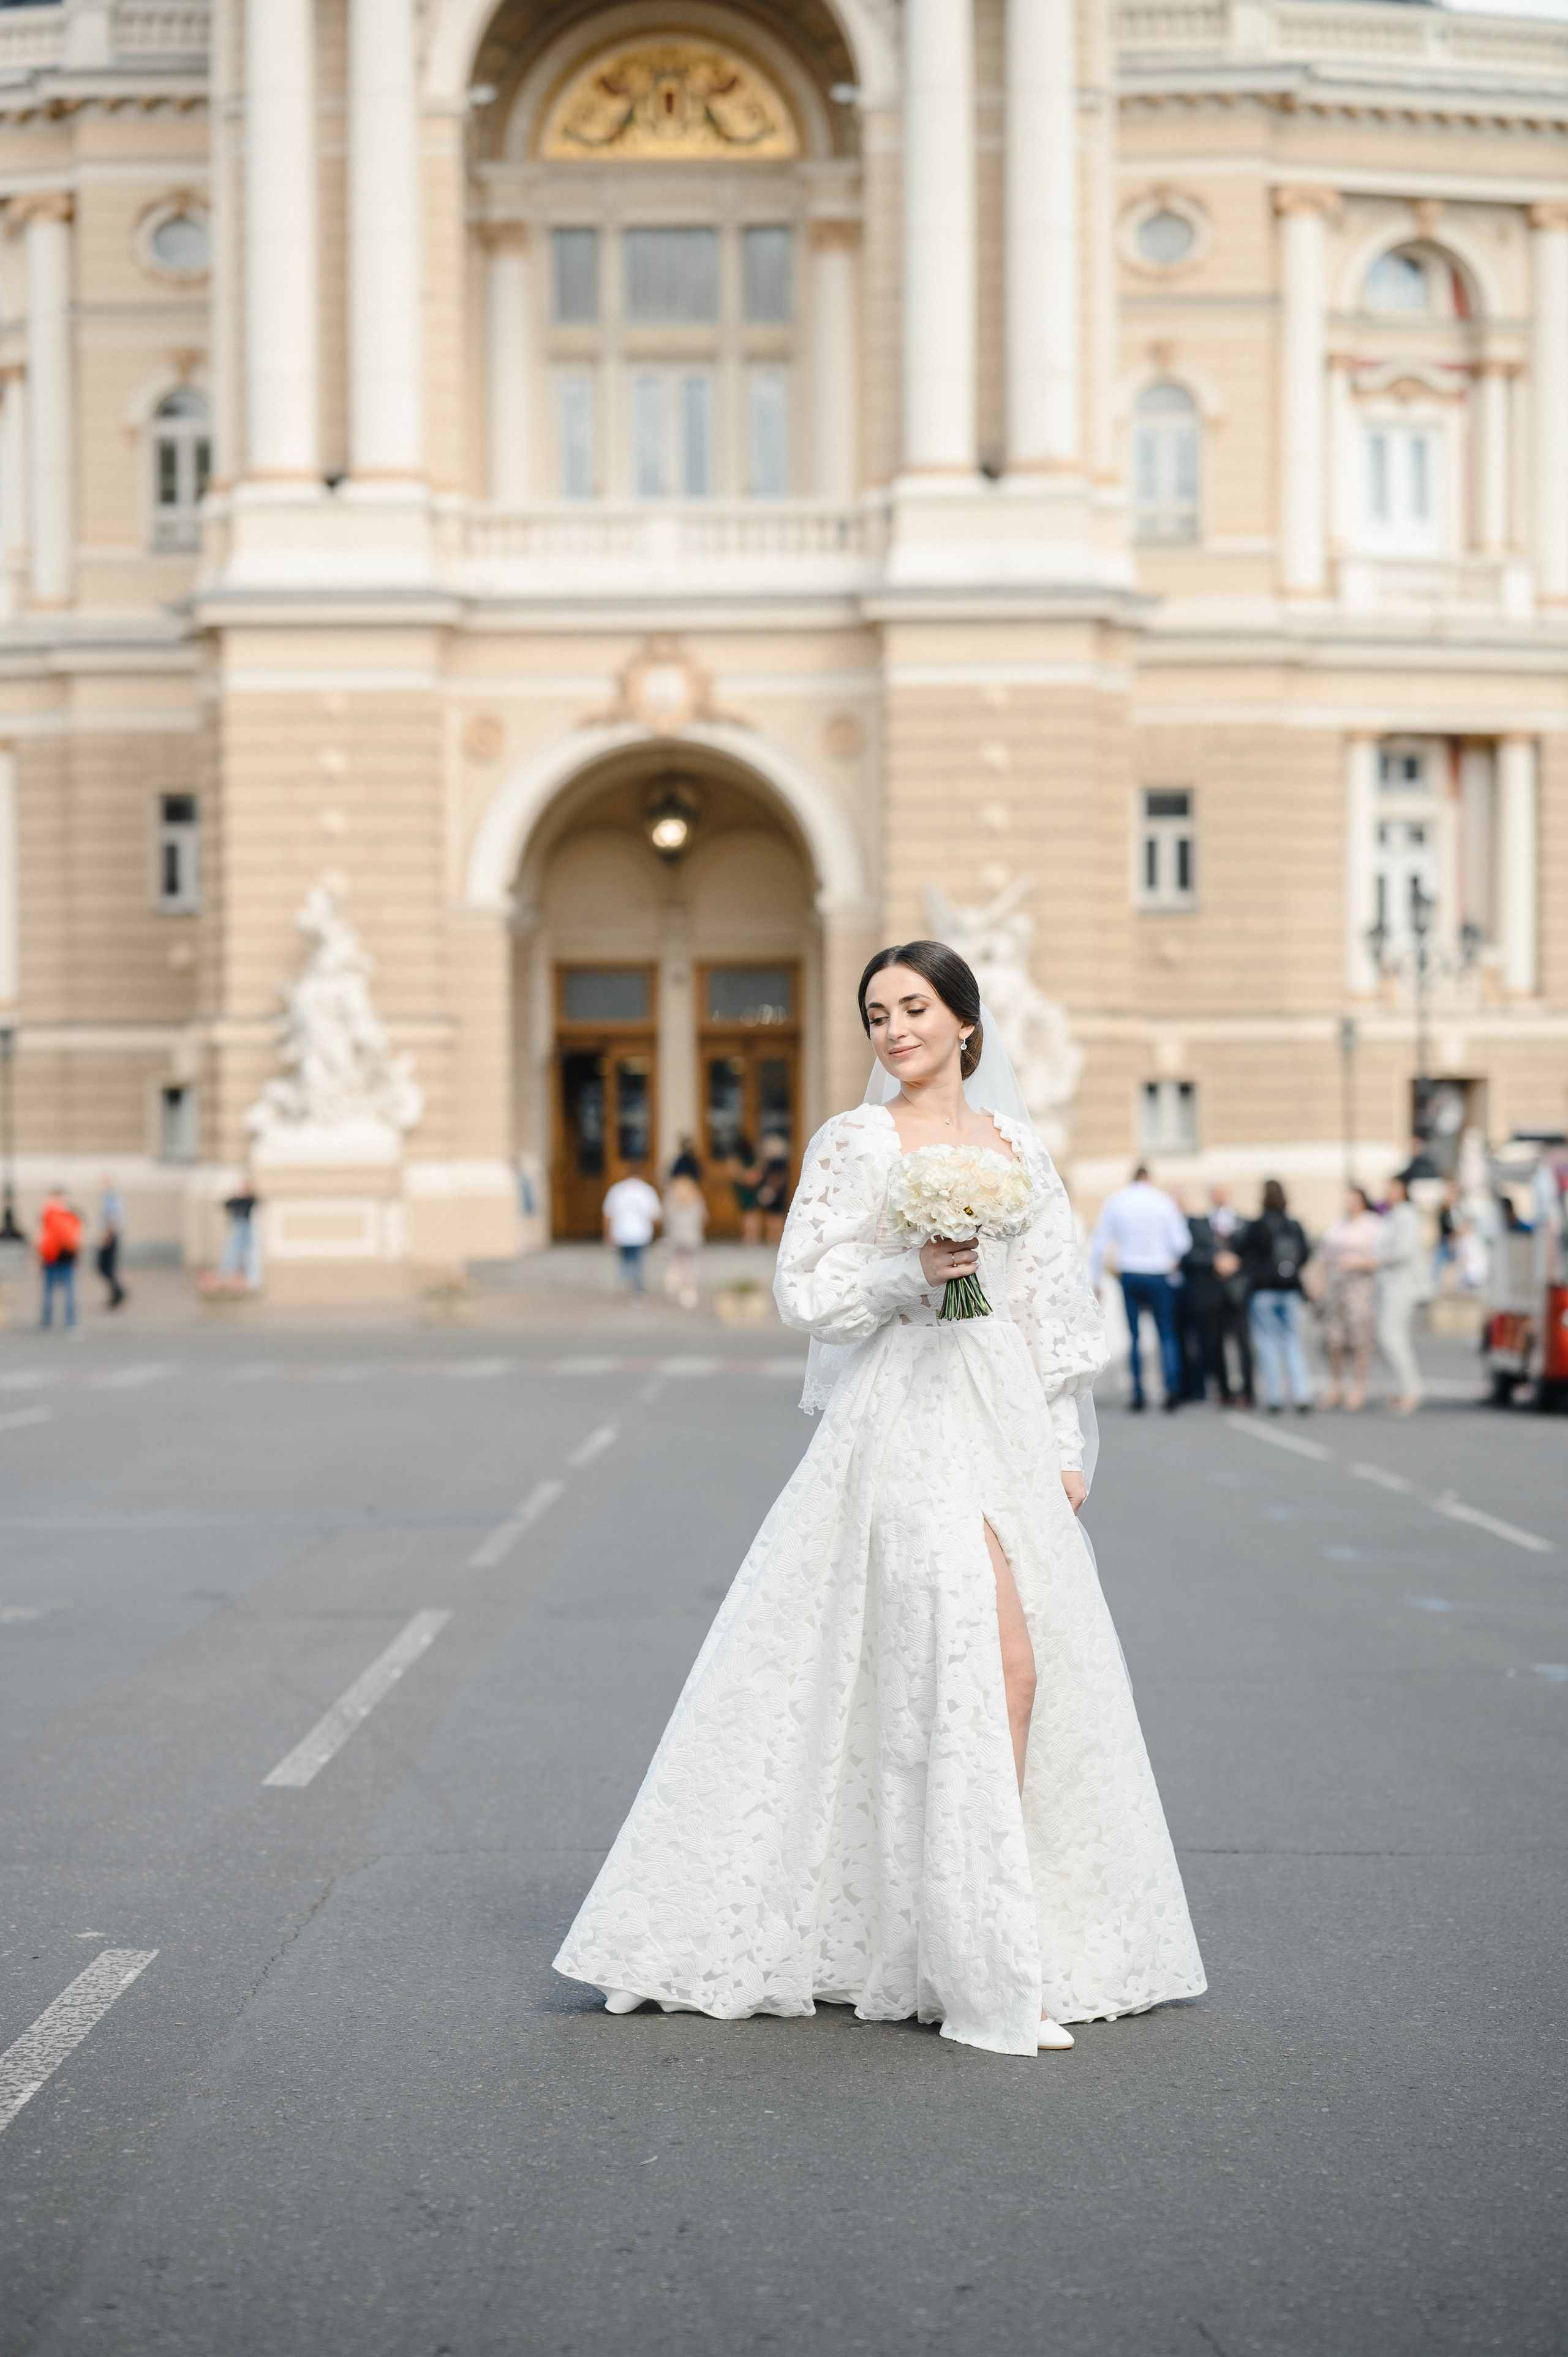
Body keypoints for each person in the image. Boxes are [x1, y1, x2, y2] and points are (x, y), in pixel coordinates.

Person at [556, 939, 1205, 2057]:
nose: (893, 1029)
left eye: (913, 1007)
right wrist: (919, 1272)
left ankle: (979, 1925)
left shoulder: (1016, 1148)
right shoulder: (853, 1142)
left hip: (1000, 1413)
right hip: (904, 1414)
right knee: (946, 1658)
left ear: (964, 1020)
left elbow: (1052, 1305)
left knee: (1019, 1665)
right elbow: (804, 1288)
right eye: (875, 1014)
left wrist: (1063, 1446)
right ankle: (979, 1963)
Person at [1087, 1165, 1191, 1412]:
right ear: (1149, 1178)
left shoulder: (1118, 1201)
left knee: (1134, 1335)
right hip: (1159, 1273)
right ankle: (1172, 1390)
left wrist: (1097, 1281)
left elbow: (1100, 1242)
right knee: (1167, 1333)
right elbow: (1182, 1242)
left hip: (1131, 1272)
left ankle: (1138, 1394)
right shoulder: (1163, 1202)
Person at [1240, 1179, 1314, 1413]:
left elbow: (1245, 1255)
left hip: (1263, 1290)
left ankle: (1274, 1396)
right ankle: (1301, 1393)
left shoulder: (1257, 1226)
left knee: (1267, 1343)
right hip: (1290, 1289)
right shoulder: (1294, 1225)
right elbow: (1305, 1253)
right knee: (1292, 1342)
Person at [1318, 1184, 1382, 1412]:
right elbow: (1324, 1255)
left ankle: (1358, 1386)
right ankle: (1336, 1384)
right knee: (1334, 1338)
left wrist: (1359, 1262)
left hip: (1360, 1284)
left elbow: (1383, 1257)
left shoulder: (1372, 1224)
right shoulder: (1339, 1224)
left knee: (1359, 1338)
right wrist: (1318, 1282)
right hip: (1337, 1284)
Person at [1377, 1172, 1425, 1414]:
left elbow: (1403, 1251)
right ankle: (1398, 1389)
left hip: (1402, 1285)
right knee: (1386, 1338)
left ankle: (1411, 1389)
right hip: (1388, 1285)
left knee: (1392, 1337)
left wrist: (1376, 1260)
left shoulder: (1407, 1215)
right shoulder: (1392, 1215)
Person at [1204, 1182, 1254, 1406]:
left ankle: (1247, 1391)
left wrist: (1235, 1263)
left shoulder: (1243, 1222)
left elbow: (1252, 1252)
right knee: (1216, 1343)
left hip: (1238, 1291)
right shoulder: (1202, 1223)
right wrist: (1215, 1262)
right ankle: (1224, 1390)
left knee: (1244, 1342)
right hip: (1214, 1291)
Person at [602, 1169, 662, 1295]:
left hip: (622, 1232)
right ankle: (636, 1286)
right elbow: (656, 1216)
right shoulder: (647, 1191)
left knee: (626, 1258)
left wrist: (607, 1234)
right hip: (640, 1233)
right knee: (637, 1260)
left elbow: (608, 1214)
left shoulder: (617, 1190)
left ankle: (628, 1282)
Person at [36, 1186, 81, 1331]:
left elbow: (42, 1236)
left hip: (51, 1257)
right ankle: (71, 1323)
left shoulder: (48, 1213)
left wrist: (38, 1255)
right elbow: (77, 1237)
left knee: (49, 1292)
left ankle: (47, 1322)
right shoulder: (70, 1214)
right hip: (67, 1257)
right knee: (69, 1292)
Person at [662, 1170, 707, 1310]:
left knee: (675, 1260)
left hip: (675, 1236)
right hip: (691, 1237)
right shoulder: (696, 1199)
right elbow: (702, 1218)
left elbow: (666, 1218)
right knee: (691, 1264)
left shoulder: (670, 1199)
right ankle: (689, 1292)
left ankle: (673, 1279)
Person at [217, 1179, 262, 1291]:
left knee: (250, 1253)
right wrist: (237, 1196)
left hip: (248, 1228)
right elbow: (226, 1204)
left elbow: (256, 1203)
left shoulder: (250, 1200)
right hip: (238, 1227)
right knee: (232, 1251)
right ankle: (226, 1275)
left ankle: (252, 1279)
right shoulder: (236, 1200)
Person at [753, 1134, 793, 1244]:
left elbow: (775, 1177)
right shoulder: (777, 1161)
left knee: (776, 1215)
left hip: (776, 1190)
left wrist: (773, 1189)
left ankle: (775, 1238)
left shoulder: (775, 1162)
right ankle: (773, 1238)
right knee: (774, 1215)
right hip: (778, 1189)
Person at [96, 1174, 127, 1311]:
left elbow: (113, 1219)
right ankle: (116, 1293)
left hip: (110, 1236)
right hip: (109, 1236)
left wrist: (107, 1238)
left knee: (105, 1267)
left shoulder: (111, 1198)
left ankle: (118, 1293)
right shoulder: (109, 1197)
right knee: (106, 1268)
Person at [727, 1135, 763, 1243]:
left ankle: (750, 1237)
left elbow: (755, 1174)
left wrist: (744, 1176)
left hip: (748, 1188)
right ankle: (751, 1237)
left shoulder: (745, 1158)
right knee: (749, 1213)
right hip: (746, 1188)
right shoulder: (747, 1157)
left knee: (749, 1213)